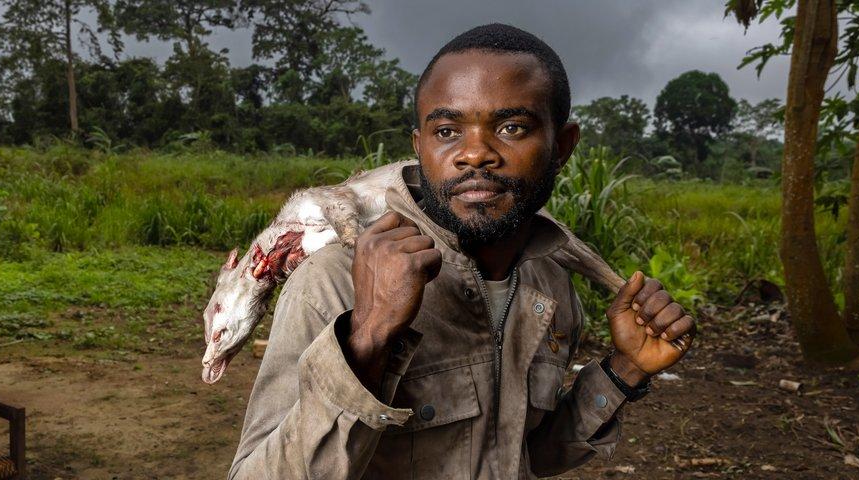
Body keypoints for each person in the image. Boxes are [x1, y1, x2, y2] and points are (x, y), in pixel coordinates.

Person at [228, 23, 696, 479]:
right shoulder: (334, 281)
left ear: (563, 146)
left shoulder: (550, 284)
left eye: (512, 127)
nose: (475, 154)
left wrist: (624, 370)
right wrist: (367, 338)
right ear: (420, 146)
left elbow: (522, 457)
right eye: (448, 131)